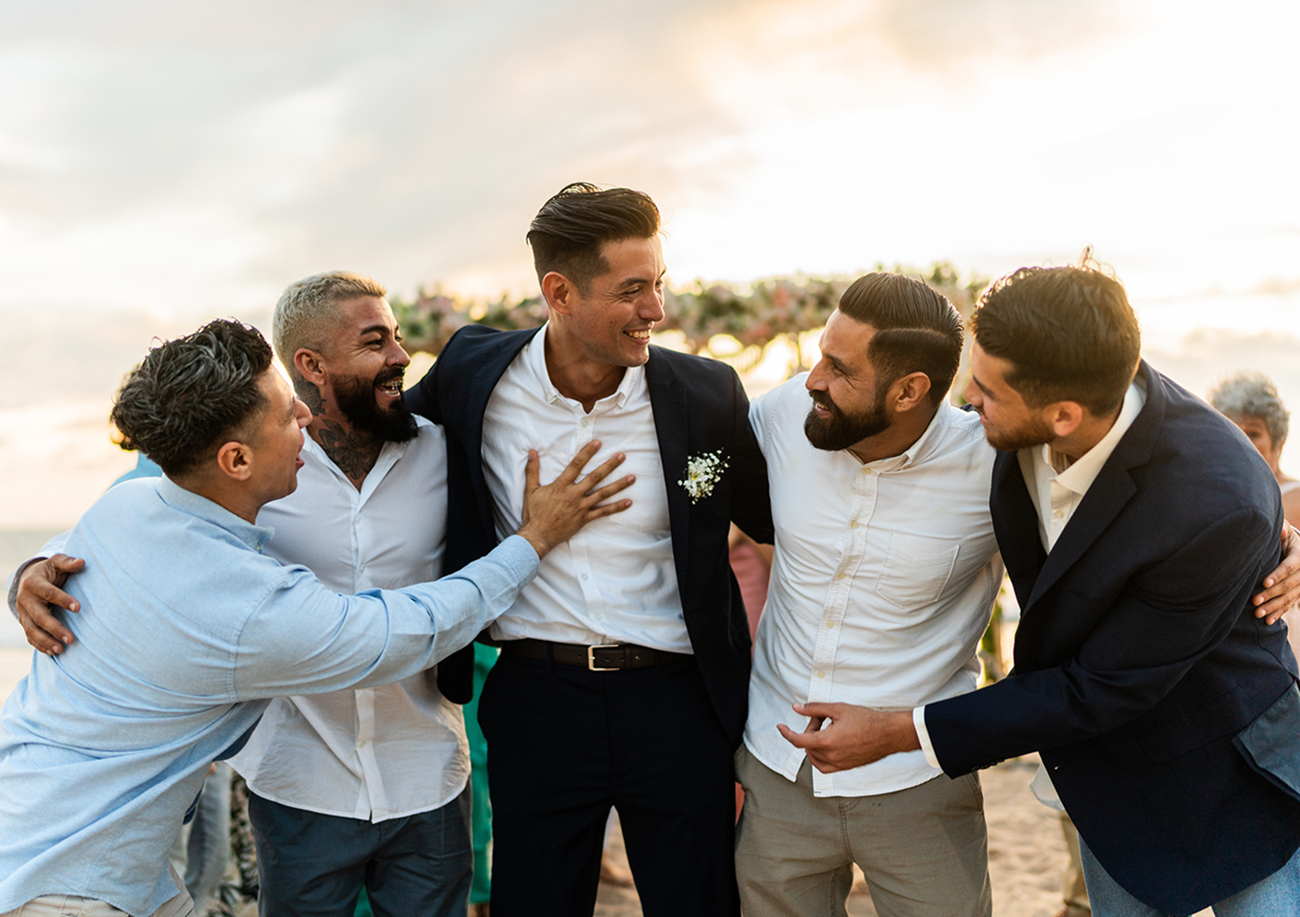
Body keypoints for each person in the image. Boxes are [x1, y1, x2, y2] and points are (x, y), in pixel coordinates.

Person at [0, 319, 633, 917]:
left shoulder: (127, 508)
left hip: (63, 843)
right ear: (235, 461)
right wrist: (535, 539)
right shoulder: (251, 608)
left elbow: (61, 548)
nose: (305, 411)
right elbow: (410, 628)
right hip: (68, 886)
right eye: (284, 413)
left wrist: (24, 572)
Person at [781, 262, 1300, 915]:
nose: (969, 401)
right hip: (1106, 774)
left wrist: (897, 730)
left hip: (1229, 763)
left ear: (1063, 414)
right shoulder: (1039, 388)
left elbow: (1096, 687)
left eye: (988, 392)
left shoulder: (1219, 503)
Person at [403, 182, 774, 917]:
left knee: (699, 904)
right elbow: (376, 453)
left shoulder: (707, 394)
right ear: (560, 291)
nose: (656, 311)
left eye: (659, 285)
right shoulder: (474, 373)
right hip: (539, 700)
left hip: (677, 700)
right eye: (632, 290)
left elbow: (780, 521)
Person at [734, 272, 1000, 917]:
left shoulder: (993, 467)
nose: (814, 380)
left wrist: (1281, 531)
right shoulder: (778, 415)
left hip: (919, 783)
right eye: (821, 354)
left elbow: (1130, 510)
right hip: (777, 771)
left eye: (839, 368)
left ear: (911, 390)